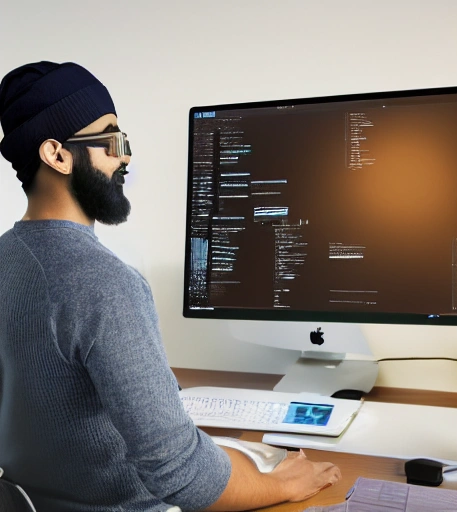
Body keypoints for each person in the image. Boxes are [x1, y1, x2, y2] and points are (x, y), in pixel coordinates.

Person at [0, 61, 341, 512]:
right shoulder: (102, 284)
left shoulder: (8, 259)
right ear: (57, 155)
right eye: (112, 139)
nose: (125, 157)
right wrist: (281, 485)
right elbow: (183, 478)